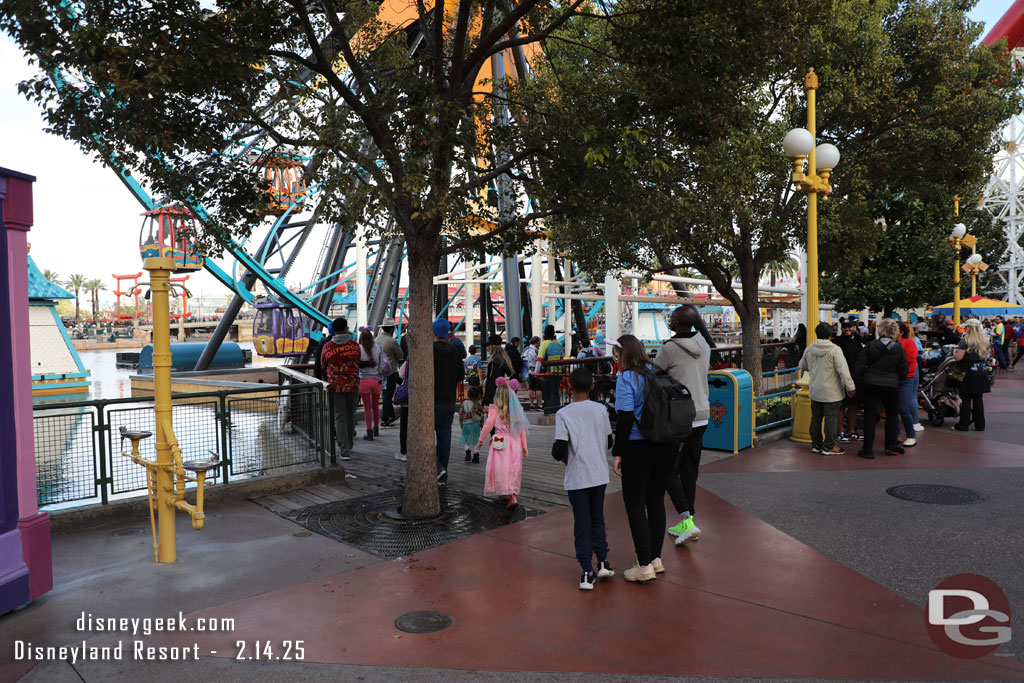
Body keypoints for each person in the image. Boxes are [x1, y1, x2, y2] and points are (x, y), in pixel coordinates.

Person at [612, 334, 676, 582]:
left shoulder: (627, 378)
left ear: (624, 354)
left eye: (617, 355)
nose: (616, 360)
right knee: (656, 501)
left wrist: (618, 452)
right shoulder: (657, 371)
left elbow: (625, 419)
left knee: (636, 504)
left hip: (639, 448)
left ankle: (644, 564)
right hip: (666, 445)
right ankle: (655, 559)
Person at [552, 367, 615, 590]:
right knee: (598, 518)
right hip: (599, 474)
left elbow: (558, 448)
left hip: (578, 476)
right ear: (592, 387)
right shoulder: (600, 410)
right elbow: (609, 442)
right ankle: (604, 561)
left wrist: (568, 461)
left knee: (582, 522)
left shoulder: (564, 413)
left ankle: (587, 570)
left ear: (569, 386)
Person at [654, 306, 710, 544]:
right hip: (702, 413)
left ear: (676, 323)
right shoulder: (704, 344)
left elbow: (655, 373)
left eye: (672, 319)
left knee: (667, 468)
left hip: (678, 416)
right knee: (690, 469)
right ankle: (689, 519)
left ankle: (686, 519)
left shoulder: (669, 348)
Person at [853, 318, 908, 459]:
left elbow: (859, 366)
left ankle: (867, 450)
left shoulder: (871, 346)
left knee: (870, 416)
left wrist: (859, 382)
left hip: (870, 384)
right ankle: (890, 446)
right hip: (891, 386)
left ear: (882, 329)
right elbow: (903, 370)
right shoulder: (898, 348)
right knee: (892, 415)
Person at [798, 321, 856, 456]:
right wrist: (851, 387)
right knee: (831, 419)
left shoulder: (809, 348)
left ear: (817, 333)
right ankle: (829, 446)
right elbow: (843, 371)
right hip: (832, 391)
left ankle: (816, 444)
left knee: (816, 418)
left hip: (815, 389)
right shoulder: (835, 350)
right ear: (831, 334)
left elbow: (803, 365)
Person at [477, 377, 529, 508]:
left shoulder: (495, 410)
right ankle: (509, 493)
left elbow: (488, 425)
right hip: (515, 443)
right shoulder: (516, 411)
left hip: (501, 444)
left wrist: (480, 440)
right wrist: (524, 447)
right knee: (513, 469)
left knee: (501, 469)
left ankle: (510, 496)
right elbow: (521, 430)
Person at [321, 317, 360, 461]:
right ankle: (349, 444)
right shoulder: (354, 345)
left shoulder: (328, 347)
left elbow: (323, 365)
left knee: (339, 417)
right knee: (351, 416)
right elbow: (358, 360)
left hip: (335, 386)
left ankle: (344, 450)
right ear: (346, 329)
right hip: (353, 385)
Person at [433, 319, 466, 483]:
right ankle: (442, 473)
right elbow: (461, 376)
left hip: (431, 400)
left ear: (433, 333)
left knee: (424, 436)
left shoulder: (429, 351)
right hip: (449, 400)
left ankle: (437, 467)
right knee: (445, 437)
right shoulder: (455, 352)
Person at [953, 319, 991, 432]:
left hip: (966, 372)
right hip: (981, 371)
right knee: (978, 399)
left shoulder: (964, 341)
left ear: (968, 328)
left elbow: (958, 358)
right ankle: (980, 425)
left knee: (965, 399)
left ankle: (963, 424)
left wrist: (955, 352)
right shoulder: (984, 341)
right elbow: (985, 358)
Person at [834, 320, 865, 442]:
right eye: (844, 327)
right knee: (842, 405)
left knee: (854, 404)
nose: (847, 329)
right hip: (841, 378)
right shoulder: (837, 342)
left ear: (854, 327)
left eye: (849, 327)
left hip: (857, 378)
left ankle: (851, 431)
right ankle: (840, 432)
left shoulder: (860, 340)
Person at [357, 327, 387, 441]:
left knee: (367, 407)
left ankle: (369, 432)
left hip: (364, 380)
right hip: (377, 380)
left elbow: (357, 363)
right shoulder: (378, 348)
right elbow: (382, 363)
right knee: (375, 406)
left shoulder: (359, 349)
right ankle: (376, 428)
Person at [375, 319, 404, 428]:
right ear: (392, 329)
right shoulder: (392, 341)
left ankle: (391, 415)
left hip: (378, 373)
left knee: (385, 394)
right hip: (390, 372)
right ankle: (385, 419)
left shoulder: (376, 340)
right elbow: (400, 356)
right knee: (388, 395)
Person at [897, 322, 920, 447]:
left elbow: (911, 358)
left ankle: (911, 435)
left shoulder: (909, 343)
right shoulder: (893, 343)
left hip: (906, 378)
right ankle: (895, 435)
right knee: (893, 409)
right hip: (894, 378)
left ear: (901, 332)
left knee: (903, 408)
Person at [482, 334, 518, 405]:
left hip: (495, 398)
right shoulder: (505, 360)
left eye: (488, 346)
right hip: (504, 396)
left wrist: (487, 402)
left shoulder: (494, 362)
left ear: (492, 347)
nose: (487, 348)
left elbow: (492, 383)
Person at [538, 325, 565, 415]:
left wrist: (536, 372)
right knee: (556, 391)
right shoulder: (558, 344)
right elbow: (561, 358)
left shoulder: (545, 344)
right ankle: (556, 409)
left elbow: (540, 360)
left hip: (548, 371)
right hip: (558, 371)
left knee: (548, 392)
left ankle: (549, 410)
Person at [459, 385, 484, 463]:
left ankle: (467, 452)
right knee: (475, 441)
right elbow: (482, 415)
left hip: (466, 425)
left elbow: (461, 414)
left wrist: (461, 423)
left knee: (465, 439)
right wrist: (481, 425)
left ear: (468, 395)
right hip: (476, 425)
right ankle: (476, 455)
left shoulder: (464, 403)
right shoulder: (478, 405)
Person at [522, 336, 540, 402]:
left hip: (527, 371)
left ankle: (531, 404)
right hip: (535, 370)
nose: (539, 344)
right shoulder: (536, 350)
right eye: (539, 342)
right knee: (538, 388)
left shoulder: (526, 349)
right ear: (535, 343)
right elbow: (537, 360)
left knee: (530, 388)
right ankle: (539, 404)